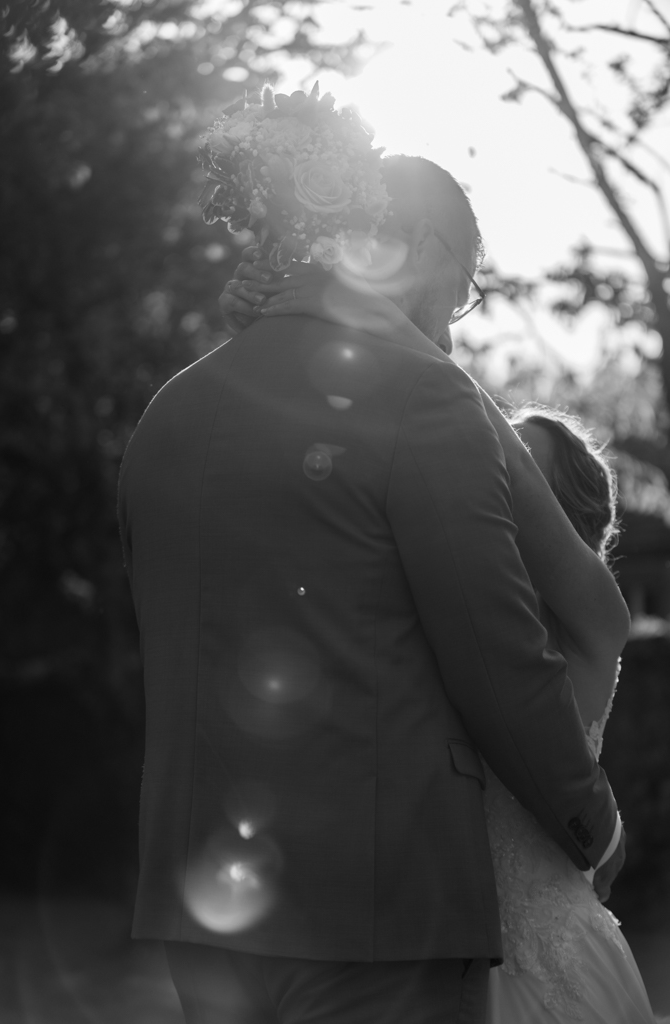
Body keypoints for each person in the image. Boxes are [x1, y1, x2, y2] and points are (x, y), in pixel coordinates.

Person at [119, 155, 624, 1024]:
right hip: (380, 908)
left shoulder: (170, 412)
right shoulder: (423, 398)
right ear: (420, 249)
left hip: (202, 904)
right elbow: (495, 654)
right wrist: (591, 824)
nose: (455, 333)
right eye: (460, 290)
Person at [221, 251, 657, 1021]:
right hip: (428, 958)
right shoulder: (440, 616)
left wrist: (383, 320)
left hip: (553, 967)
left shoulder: (595, 621)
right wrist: (278, 334)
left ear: (570, 518)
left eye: (521, 469)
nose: (491, 474)